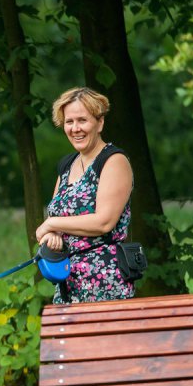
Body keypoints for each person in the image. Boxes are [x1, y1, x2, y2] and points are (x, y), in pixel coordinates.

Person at [35, 87, 135, 303]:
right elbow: (56, 224)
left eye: (82, 120)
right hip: (66, 280)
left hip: (104, 282)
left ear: (100, 123)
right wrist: (52, 235)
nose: (75, 128)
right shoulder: (66, 165)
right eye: (69, 122)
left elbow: (104, 222)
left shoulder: (113, 160)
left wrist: (52, 224)